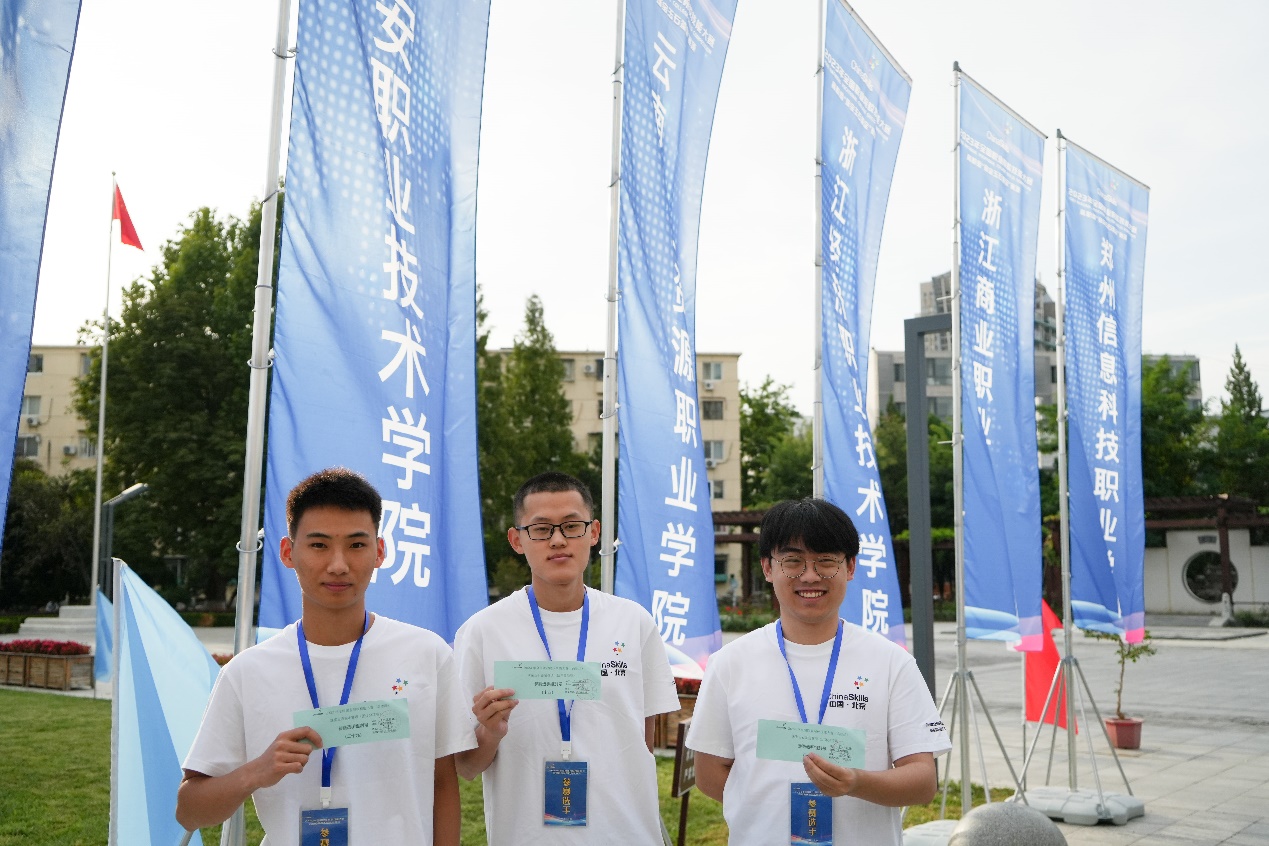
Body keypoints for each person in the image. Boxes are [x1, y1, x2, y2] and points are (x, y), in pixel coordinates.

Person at [176, 468, 473, 845]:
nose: (338, 564)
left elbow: (443, 785)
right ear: (288, 552)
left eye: (356, 545)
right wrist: (256, 772)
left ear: (380, 552)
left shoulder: (426, 654)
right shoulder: (248, 672)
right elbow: (189, 810)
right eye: (319, 545)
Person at [686, 497, 950, 846]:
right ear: (767, 568)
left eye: (826, 561)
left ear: (850, 567)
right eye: (792, 561)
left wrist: (857, 783)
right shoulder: (730, 663)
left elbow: (923, 781)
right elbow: (708, 774)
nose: (810, 576)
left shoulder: (890, 663)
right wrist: (764, 808)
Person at [453, 471, 679, 844]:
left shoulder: (633, 623)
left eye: (572, 526)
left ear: (594, 532)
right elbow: (465, 766)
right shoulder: (482, 632)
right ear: (517, 540)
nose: (558, 540)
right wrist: (490, 732)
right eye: (541, 529)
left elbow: (643, 743)